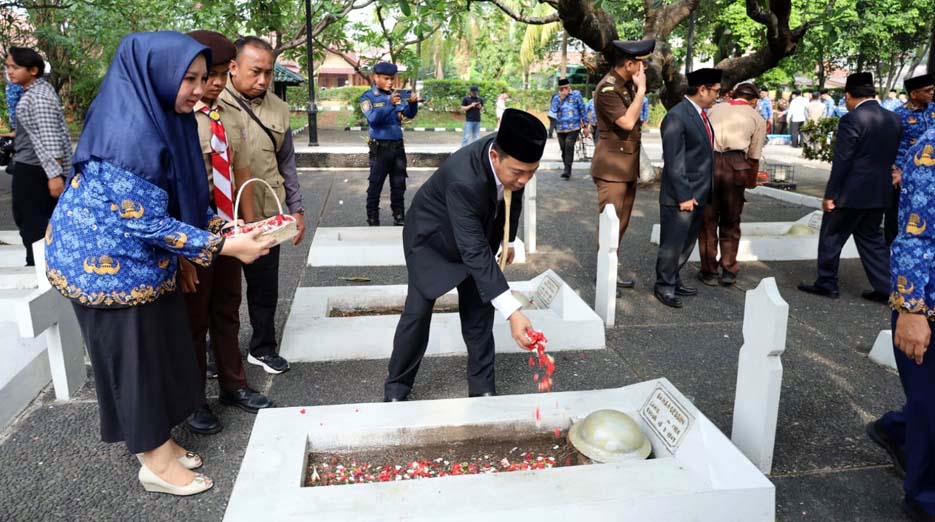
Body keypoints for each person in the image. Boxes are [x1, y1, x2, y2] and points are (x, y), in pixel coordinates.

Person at [44, 31, 273, 496]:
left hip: (145, 266)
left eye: (203, 77)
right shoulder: (125, 134)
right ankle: (154, 462)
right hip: (104, 272)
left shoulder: (169, 117)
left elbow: (185, 195)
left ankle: (160, 442)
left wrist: (224, 227)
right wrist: (227, 248)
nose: (198, 89)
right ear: (156, 76)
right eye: (188, 79)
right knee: (135, 365)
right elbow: (146, 222)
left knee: (159, 352)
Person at [384, 109, 545, 401]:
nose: (524, 180)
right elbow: (473, 250)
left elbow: (514, 197)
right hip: (432, 241)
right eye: (519, 173)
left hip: (476, 237)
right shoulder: (464, 178)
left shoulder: (513, 159)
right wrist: (513, 312)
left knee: (479, 313)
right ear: (495, 157)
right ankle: (397, 387)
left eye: (531, 172)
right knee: (417, 314)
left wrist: (508, 239)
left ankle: (482, 388)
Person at [181, 30, 273, 436]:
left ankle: (234, 386)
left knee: (228, 309)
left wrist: (251, 228)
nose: (215, 82)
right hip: (197, 236)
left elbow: (241, 170)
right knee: (194, 320)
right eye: (209, 75)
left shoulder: (226, 114)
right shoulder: (180, 118)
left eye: (220, 74)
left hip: (229, 231)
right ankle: (193, 398)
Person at [219, 36, 306, 375]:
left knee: (264, 287)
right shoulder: (212, 102)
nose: (263, 81)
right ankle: (220, 353)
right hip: (226, 218)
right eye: (256, 72)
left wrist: (296, 210)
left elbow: (288, 165)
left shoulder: (279, 109)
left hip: (268, 214)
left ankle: (263, 347)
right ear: (233, 67)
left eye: (268, 73)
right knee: (223, 292)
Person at [867, 124, 935, 522]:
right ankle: (925, 501)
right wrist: (911, 311)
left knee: (926, 409)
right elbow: (914, 234)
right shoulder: (930, 147)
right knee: (931, 408)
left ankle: (896, 429)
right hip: (926, 302)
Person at [797, 72, 901, 302]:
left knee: (831, 237)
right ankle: (887, 288)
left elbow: (843, 160)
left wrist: (831, 195)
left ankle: (827, 282)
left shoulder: (852, 119)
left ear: (848, 95)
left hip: (851, 192)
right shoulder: (894, 118)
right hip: (880, 191)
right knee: (872, 239)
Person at [653, 68, 722, 309]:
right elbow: (674, 160)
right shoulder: (677, 116)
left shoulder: (700, 115)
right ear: (701, 90)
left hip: (699, 193)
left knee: (686, 242)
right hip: (681, 196)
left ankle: (674, 278)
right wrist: (684, 195)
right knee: (673, 243)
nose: (717, 96)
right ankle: (664, 285)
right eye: (715, 91)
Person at [591, 39, 654, 291]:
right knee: (610, 222)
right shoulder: (608, 89)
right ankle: (603, 276)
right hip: (612, 168)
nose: (644, 68)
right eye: (640, 63)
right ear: (629, 64)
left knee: (621, 223)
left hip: (626, 166)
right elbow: (627, 123)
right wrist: (641, 91)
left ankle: (610, 271)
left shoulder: (623, 85)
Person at [3, 47, 70, 267]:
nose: (9, 71)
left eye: (15, 67)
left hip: (35, 167)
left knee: (32, 219)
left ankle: (40, 267)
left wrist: (55, 176)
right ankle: (41, 264)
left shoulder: (39, 97)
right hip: (33, 164)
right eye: (8, 66)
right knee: (31, 217)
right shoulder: (35, 92)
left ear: (33, 70)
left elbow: (51, 139)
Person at [697, 82, 766, 287]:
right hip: (736, 167)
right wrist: (751, 182)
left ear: (734, 95)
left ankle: (709, 272)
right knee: (731, 221)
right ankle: (728, 269)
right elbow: (754, 157)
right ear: (753, 100)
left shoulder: (715, 108)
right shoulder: (756, 117)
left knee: (708, 220)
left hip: (709, 163)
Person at [358, 61, 419, 226]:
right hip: (380, 149)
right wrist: (388, 104)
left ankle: (399, 217)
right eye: (386, 78)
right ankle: (372, 218)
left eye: (392, 78)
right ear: (375, 77)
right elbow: (373, 120)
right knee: (375, 184)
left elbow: (408, 114)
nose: (390, 82)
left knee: (399, 184)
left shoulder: (396, 95)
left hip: (398, 147)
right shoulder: (367, 98)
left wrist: (413, 103)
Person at [887, 74, 935, 244]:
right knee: (898, 217)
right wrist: (895, 170)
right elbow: (887, 146)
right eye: (927, 90)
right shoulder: (898, 115)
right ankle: (892, 256)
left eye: (932, 89)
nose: (932, 93)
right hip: (904, 176)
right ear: (914, 94)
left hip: (930, 177)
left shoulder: (933, 110)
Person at [550, 78, 588, 179]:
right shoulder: (556, 98)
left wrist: (585, 126)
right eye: (561, 88)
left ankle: (567, 171)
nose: (564, 90)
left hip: (574, 127)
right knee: (563, 149)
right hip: (560, 127)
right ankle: (566, 167)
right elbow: (552, 111)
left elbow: (582, 110)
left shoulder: (576, 95)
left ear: (569, 86)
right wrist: (561, 99)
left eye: (566, 88)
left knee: (569, 147)